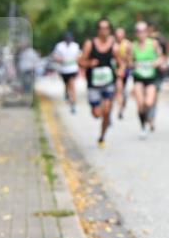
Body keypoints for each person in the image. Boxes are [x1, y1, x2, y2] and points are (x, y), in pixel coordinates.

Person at [79, 18, 119, 147]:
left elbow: (121, 63)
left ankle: (102, 136)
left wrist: (121, 70)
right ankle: (104, 117)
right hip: (94, 84)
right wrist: (90, 63)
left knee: (107, 111)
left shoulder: (114, 45)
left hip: (109, 82)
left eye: (106, 28)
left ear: (110, 30)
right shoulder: (90, 44)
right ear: (98, 30)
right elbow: (80, 61)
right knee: (97, 114)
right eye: (101, 28)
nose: (104, 31)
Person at [130, 21, 166, 139]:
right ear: (136, 33)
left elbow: (161, 57)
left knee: (149, 103)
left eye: (143, 31)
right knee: (140, 104)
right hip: (138, 78)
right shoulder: (133, 46)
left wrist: (156, 63)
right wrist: (135, 64)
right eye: (139, 32)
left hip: (151, 77)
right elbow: (129, 62)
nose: (141, 34)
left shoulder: (154, 43)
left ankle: (148, 119)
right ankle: (143, 126)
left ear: (147, 32)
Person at [52, 32, 81, 113]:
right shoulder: (59, 46)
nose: (68, 40)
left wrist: (77, 59)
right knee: (67, 85)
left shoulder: (75, 46)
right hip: (63, 69)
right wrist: (60, 59)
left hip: (73, 69)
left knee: (72, 85)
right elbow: (54, 56)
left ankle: (74, 104)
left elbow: (79, 55)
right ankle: (67, 95)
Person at [114, 27, 132, 119]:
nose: (119, 36)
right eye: (117, 34)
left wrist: (125, 63)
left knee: (124, 92)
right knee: (119, 90)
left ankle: (123, 107)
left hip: (126, 70)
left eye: (121, 34)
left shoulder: (128, 45)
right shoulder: (113, 45)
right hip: (117, 71)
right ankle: (120, 109)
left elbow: (131, 60)